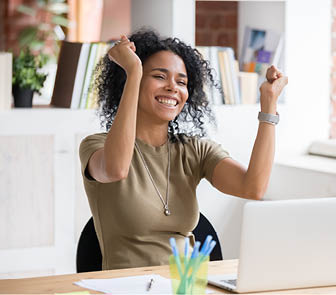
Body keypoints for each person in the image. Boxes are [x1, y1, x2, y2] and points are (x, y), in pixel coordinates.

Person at [79, 29, 288, 270]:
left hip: (187, 284)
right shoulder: (96, 146)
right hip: (127, 286)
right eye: (159, 76)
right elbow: (116, 169)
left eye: (181, 82)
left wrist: (269, 105)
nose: (172, 88)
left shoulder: (194, 149)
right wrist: (134, 71)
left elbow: (253, 188)